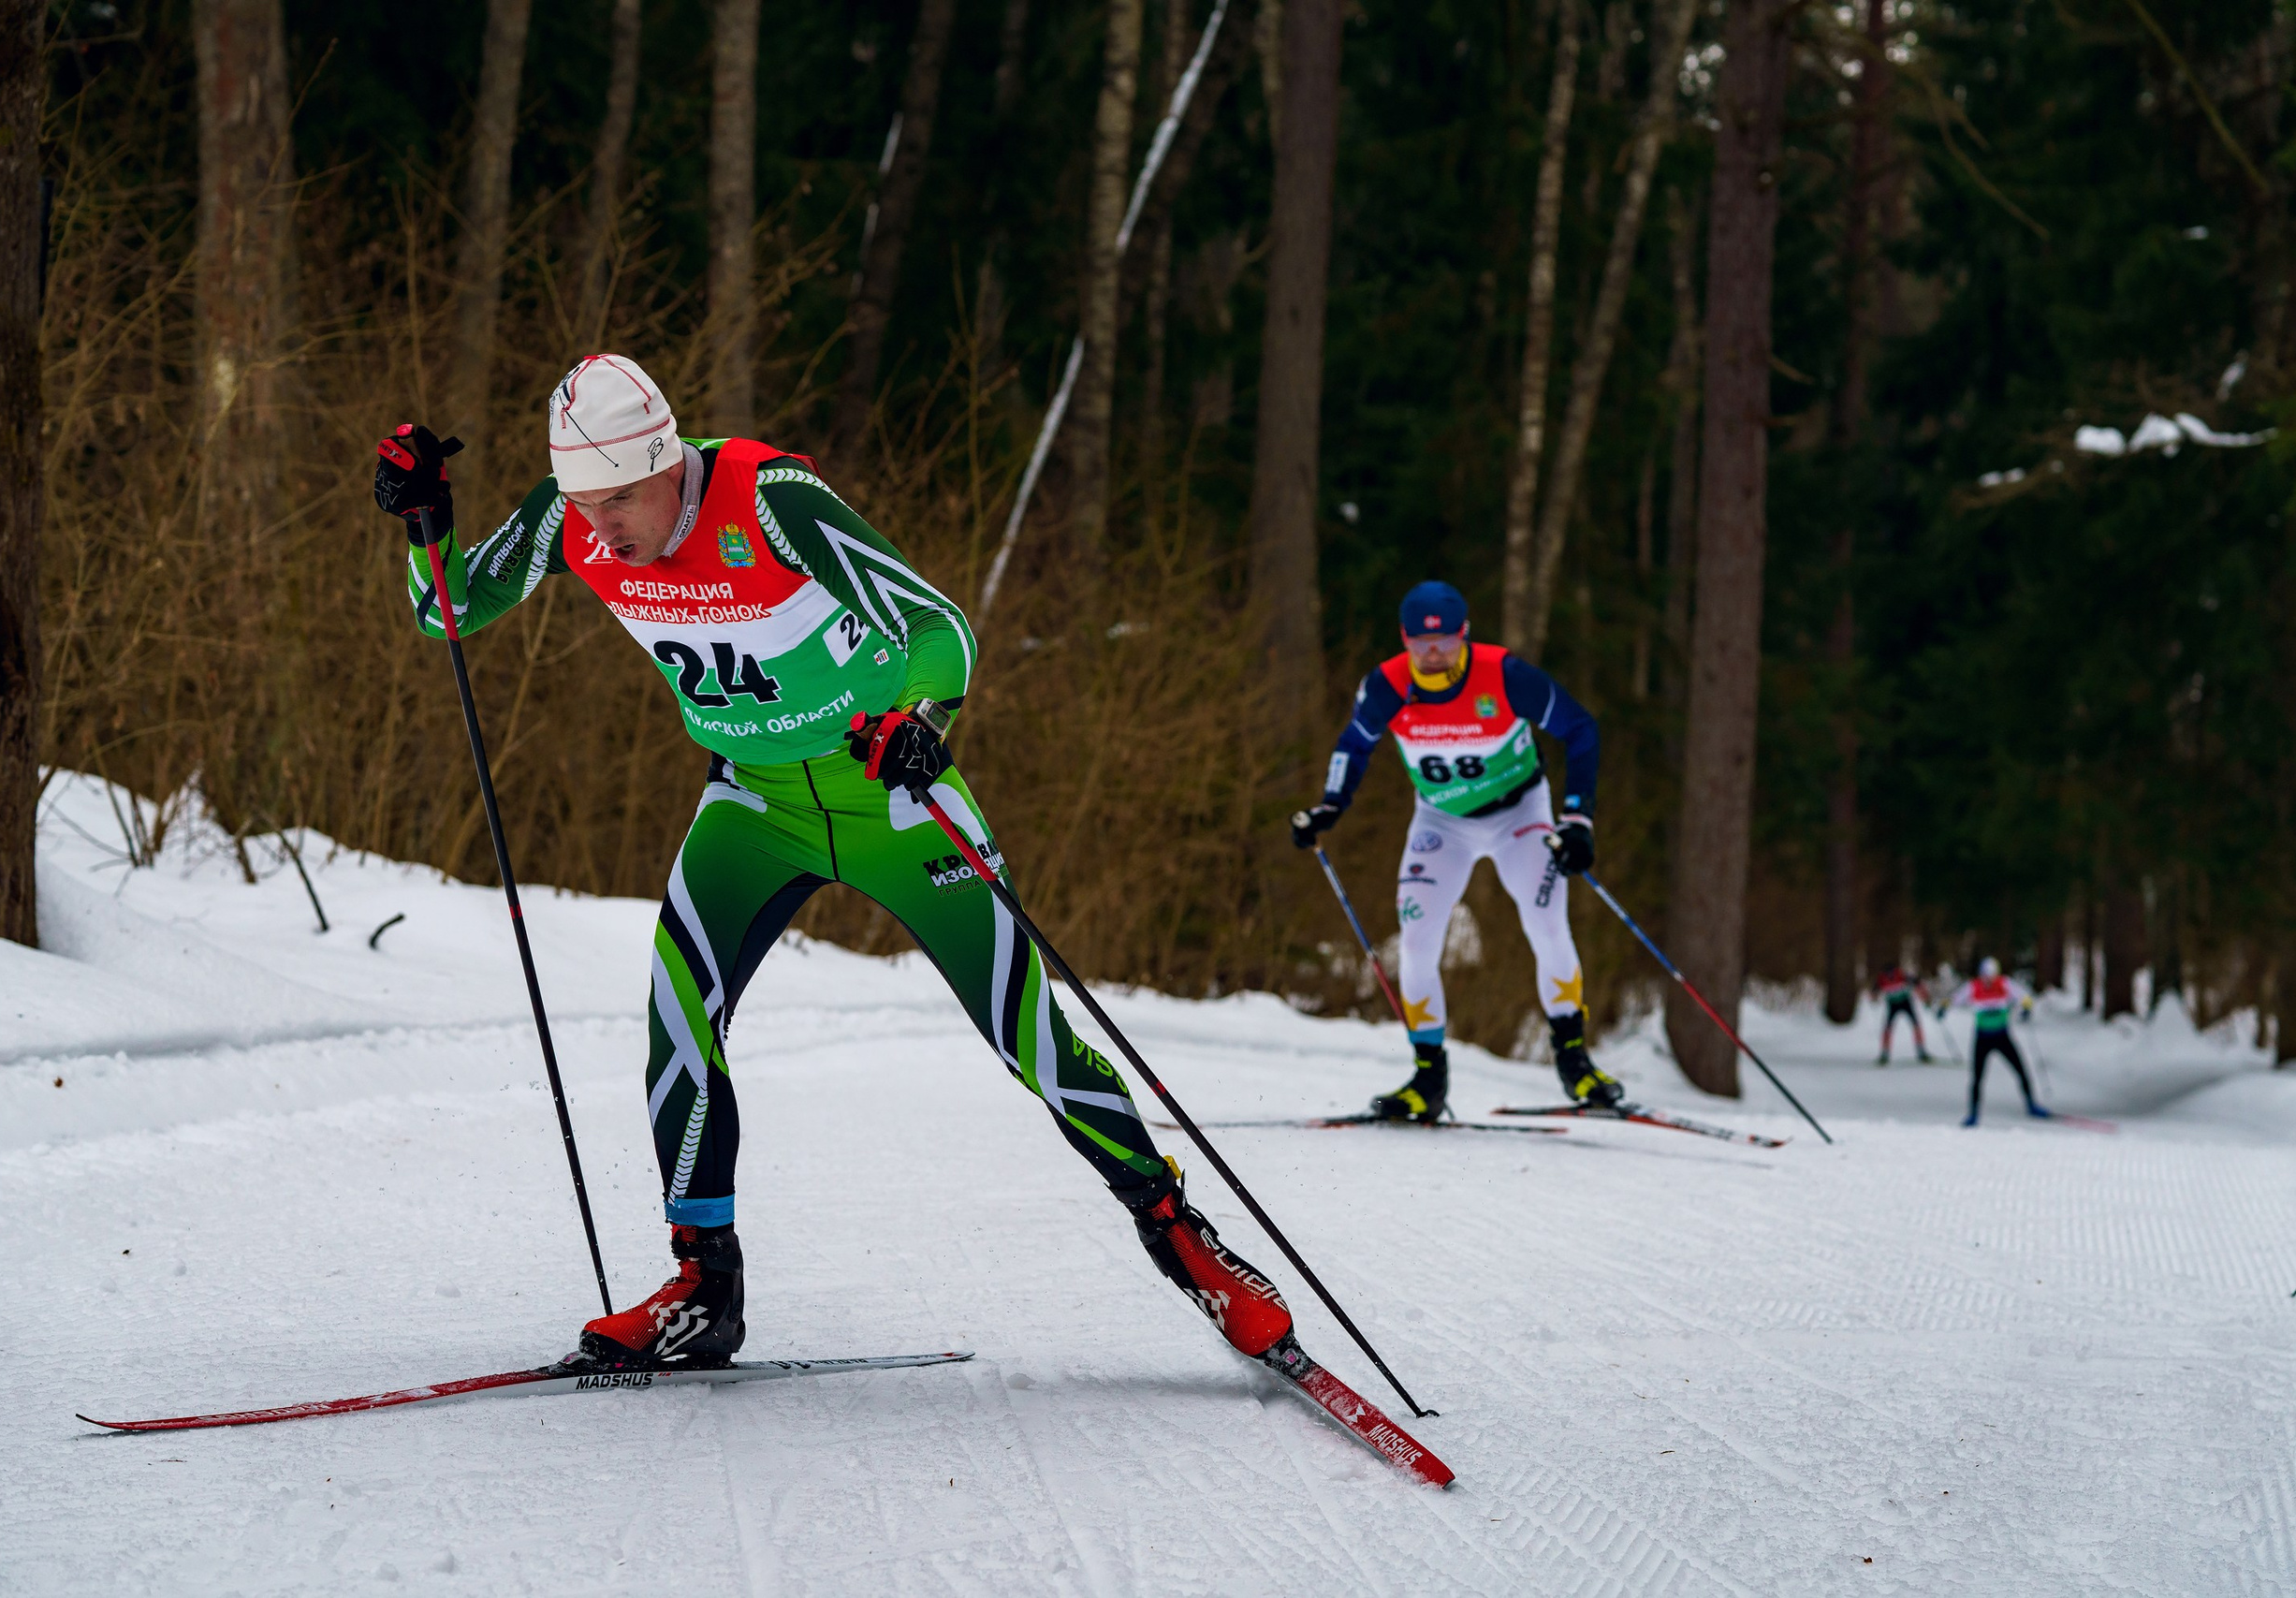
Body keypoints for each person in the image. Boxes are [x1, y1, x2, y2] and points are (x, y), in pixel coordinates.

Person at [372, 354, 1295, 1371]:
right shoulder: (565, 518)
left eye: (621, 500)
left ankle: (1184, 1243)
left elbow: (937, 625)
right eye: (587, 505)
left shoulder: (769, 499)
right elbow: (443, 613)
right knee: (678, 1021)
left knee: (1028, 1032)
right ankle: (701, 1287)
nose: (602, 528)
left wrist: (926, 720)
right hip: (754, 807)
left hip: (888, 799)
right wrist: (428, 523)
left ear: (665, 460)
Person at [1294, 579, 1616, 1122]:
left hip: (1521, 814)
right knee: (1418, 938)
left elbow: (1581, 729)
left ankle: (1575, 1062)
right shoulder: (1386, 687)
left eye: (1444, 642)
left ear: (1465, 635)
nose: (1433, 652)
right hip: (1442, 820)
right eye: (1421, 642)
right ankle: (1428, 1078)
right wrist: (1330, 806)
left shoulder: (1505, 675)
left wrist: (1577, 819)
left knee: (1546, 922)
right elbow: (1354, 744)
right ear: (1405, 639)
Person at [1939, 957, 2049, 1126]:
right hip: (1982, 1037)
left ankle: (2032, 1105)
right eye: (1985, 975)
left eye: (1991, 976)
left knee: (2020, 1069)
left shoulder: (2004, 984)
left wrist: (2026, 1008)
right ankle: (1973, 1114)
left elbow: (2024, 996)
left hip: (2002, 1036)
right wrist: (1943, 1007)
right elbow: (1956, 998)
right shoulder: (1973, 986)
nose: (1988, 980)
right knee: (1977, 1077)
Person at [1871, 963, 1934, 1064]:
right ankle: (1884, 1054)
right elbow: (1874, 990)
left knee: (1916, 1025)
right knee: (1887, 1028)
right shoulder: (1881, 979)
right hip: (1892, 1005)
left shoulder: (1902, 975)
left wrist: (1925, 997)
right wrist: (1874, 997)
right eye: (1888, 974)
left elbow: (1917, 983)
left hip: (1906, 1003)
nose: (1890, 976)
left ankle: (1921, 1051)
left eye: (1891, 974)